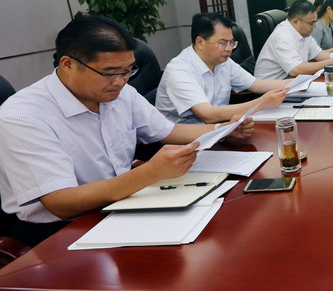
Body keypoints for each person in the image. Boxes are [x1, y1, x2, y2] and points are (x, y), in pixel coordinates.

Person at [0, 15, 255, 246]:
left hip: (121, 205)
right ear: (68, 64)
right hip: (60, 232)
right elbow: (60, 203)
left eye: (127, 71)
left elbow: (168, 131)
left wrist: (223, 130)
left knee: (224, 229)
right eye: (109, 73)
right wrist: (150, 173)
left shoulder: (120, 92)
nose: (121, 81)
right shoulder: (24, 115)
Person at [155, 13, 289, 124]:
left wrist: (298, 82)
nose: (229, 49)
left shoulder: (223, 61)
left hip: (219, 128)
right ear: (200, 42)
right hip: (185, 140)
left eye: (231, 43)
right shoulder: (179, 71)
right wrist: (262, 103)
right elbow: (208, 115)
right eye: (223, 43)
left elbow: (255, 84)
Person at [255, 0, 333, 80]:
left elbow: (319, 54)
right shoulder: (283, 36)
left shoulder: (304, 33)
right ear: (296, 22)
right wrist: (330, 63)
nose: (314, 27)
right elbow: (295, 70)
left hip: (290, 83)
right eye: (311, 23)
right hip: (270, 89)